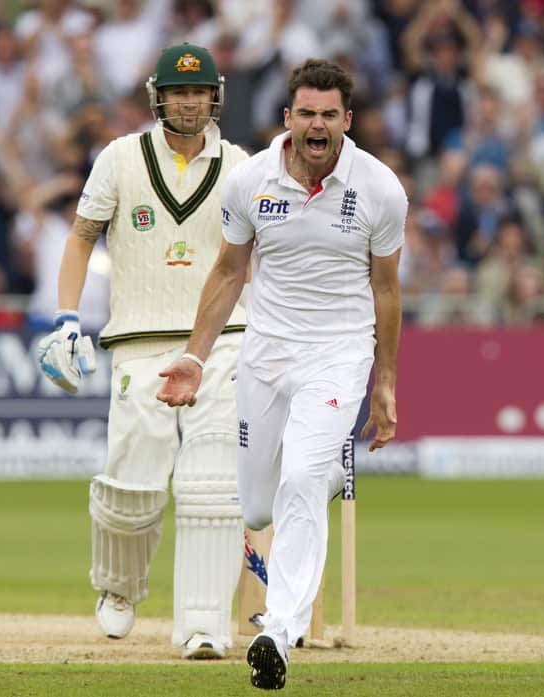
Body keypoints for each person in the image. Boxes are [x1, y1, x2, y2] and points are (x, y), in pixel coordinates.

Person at [157, 58, 407, 689]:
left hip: (338, 354)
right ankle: (324, 474)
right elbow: (227, 272)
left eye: (330, 115)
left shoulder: (379, 188)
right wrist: (195, 355)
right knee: (260, 506)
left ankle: (279, 630)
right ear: (287, 117)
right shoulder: (251, 181)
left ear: (347, 120)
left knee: (298, 477)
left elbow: (386, 290)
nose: (317, 127)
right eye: (307, 114)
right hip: (265, 353)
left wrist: (384, 382)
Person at [37, 43, 249, 659]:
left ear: (216, 96)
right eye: (180, 91)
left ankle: (205, 625)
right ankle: (120, 587)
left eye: (200, 91)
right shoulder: (119, 158)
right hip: (138, 340)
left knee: (213, 486)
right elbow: (81, 238)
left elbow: (258, 253)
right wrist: (67, 318)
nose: (190, 101)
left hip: (220, 342)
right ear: (160, 95)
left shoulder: (239, 165)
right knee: (132, 485)